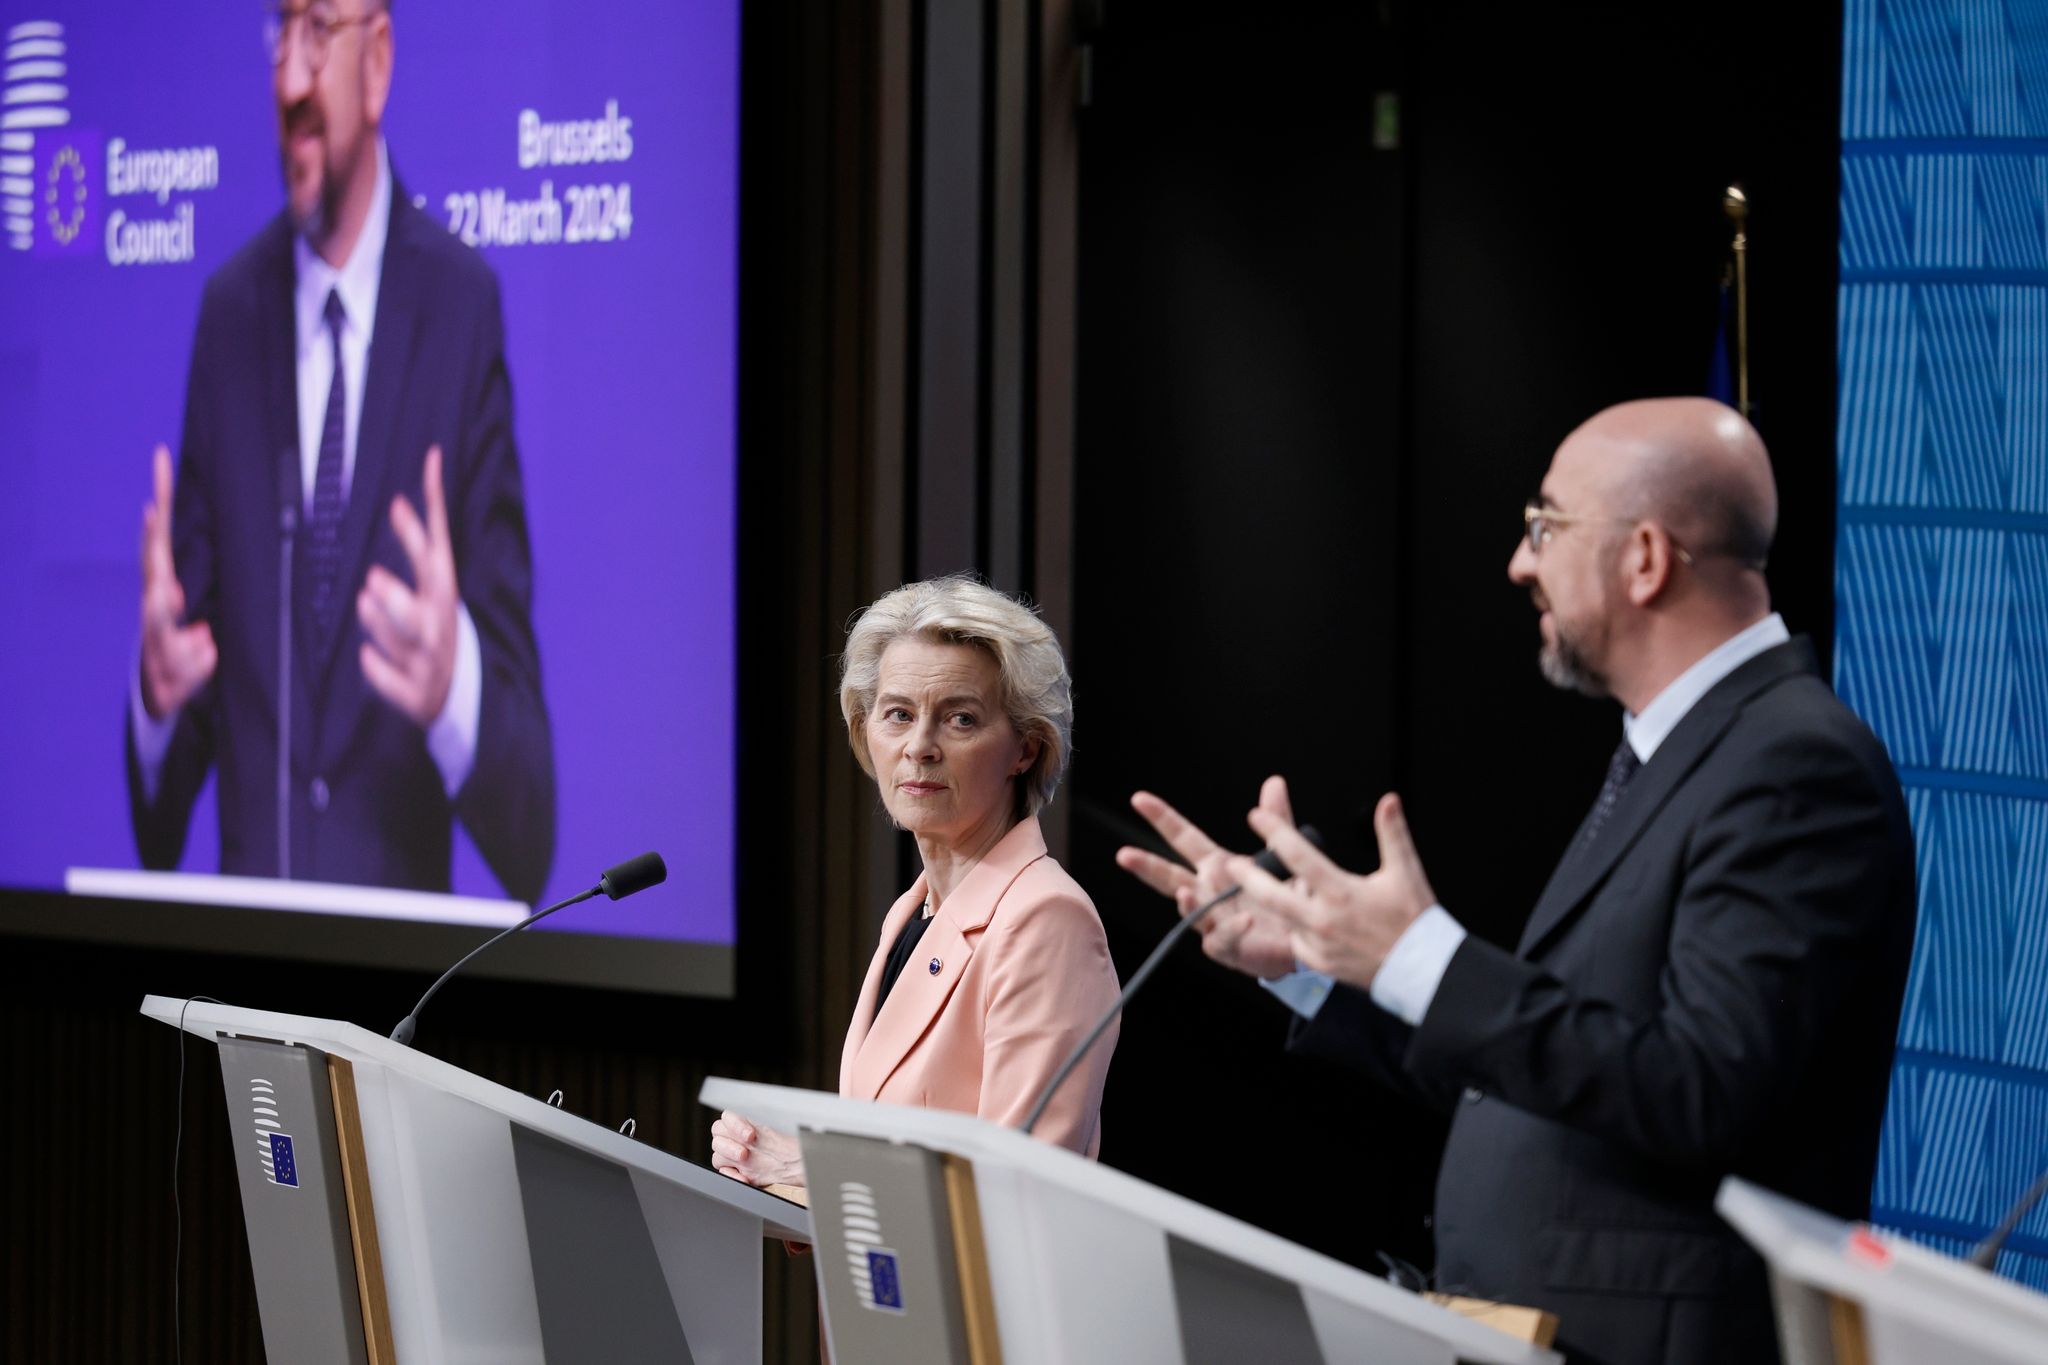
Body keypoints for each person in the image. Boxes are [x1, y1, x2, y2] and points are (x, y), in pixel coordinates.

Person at [1119, 398, 1916, 1365]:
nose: (1519, 561)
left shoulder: (1795, 765)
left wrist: (1424, 956)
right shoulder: (1678, 753)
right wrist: (1320, 962)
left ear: (1646, 558)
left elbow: (1702, 1089)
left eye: (1545, 525)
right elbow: (1542, 1071)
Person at [126, 0, 555, 903]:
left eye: (318, 31)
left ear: (381, 58)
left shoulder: (458, 308)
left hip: (395, 998)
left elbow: (531, 834)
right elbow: (156, 823)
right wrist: (160, 701)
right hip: (246, 984)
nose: (289, 76)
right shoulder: (228, 313)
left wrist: (452, 693)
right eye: (279, 33)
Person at [712, 576, 1121, 1189]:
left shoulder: (1045, 919)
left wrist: (813, 1170)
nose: (919, 747)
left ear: (1026, 749)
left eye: (960, 719)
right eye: (898, 715)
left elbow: (1013, 1183)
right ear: (864, 731)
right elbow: (896, 1139)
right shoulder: (914, 912)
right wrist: (776, 1163)